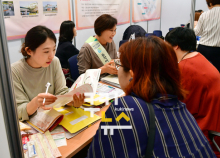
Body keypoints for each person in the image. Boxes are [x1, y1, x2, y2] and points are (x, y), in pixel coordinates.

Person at [87, 37, 215, 158]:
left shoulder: (127, 107)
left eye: (120, 65)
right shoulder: (178, 105)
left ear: (132, 74)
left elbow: (98, 154)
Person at [165, 27, 220, 157]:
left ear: (175, 47)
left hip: (203, 133)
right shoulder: (199, 57)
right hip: (213, 123)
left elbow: (180, 107)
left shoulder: (184, 67)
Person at [11, 26, 84, 121]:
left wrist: (73, 101)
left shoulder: (54, 61)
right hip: (31, 124)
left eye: (54, 49)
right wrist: (35, 102)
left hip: (54, 118)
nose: (51, 56)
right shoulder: (15, 70)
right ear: (29, 51)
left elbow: (61, 92)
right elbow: (19, 111)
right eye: (46, 51)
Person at [194, 0, 220, 72]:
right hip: (218, 50)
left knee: (202, 73)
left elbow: (197, 32)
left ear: (210, 3)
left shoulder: (204, 14)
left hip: (204, 49)